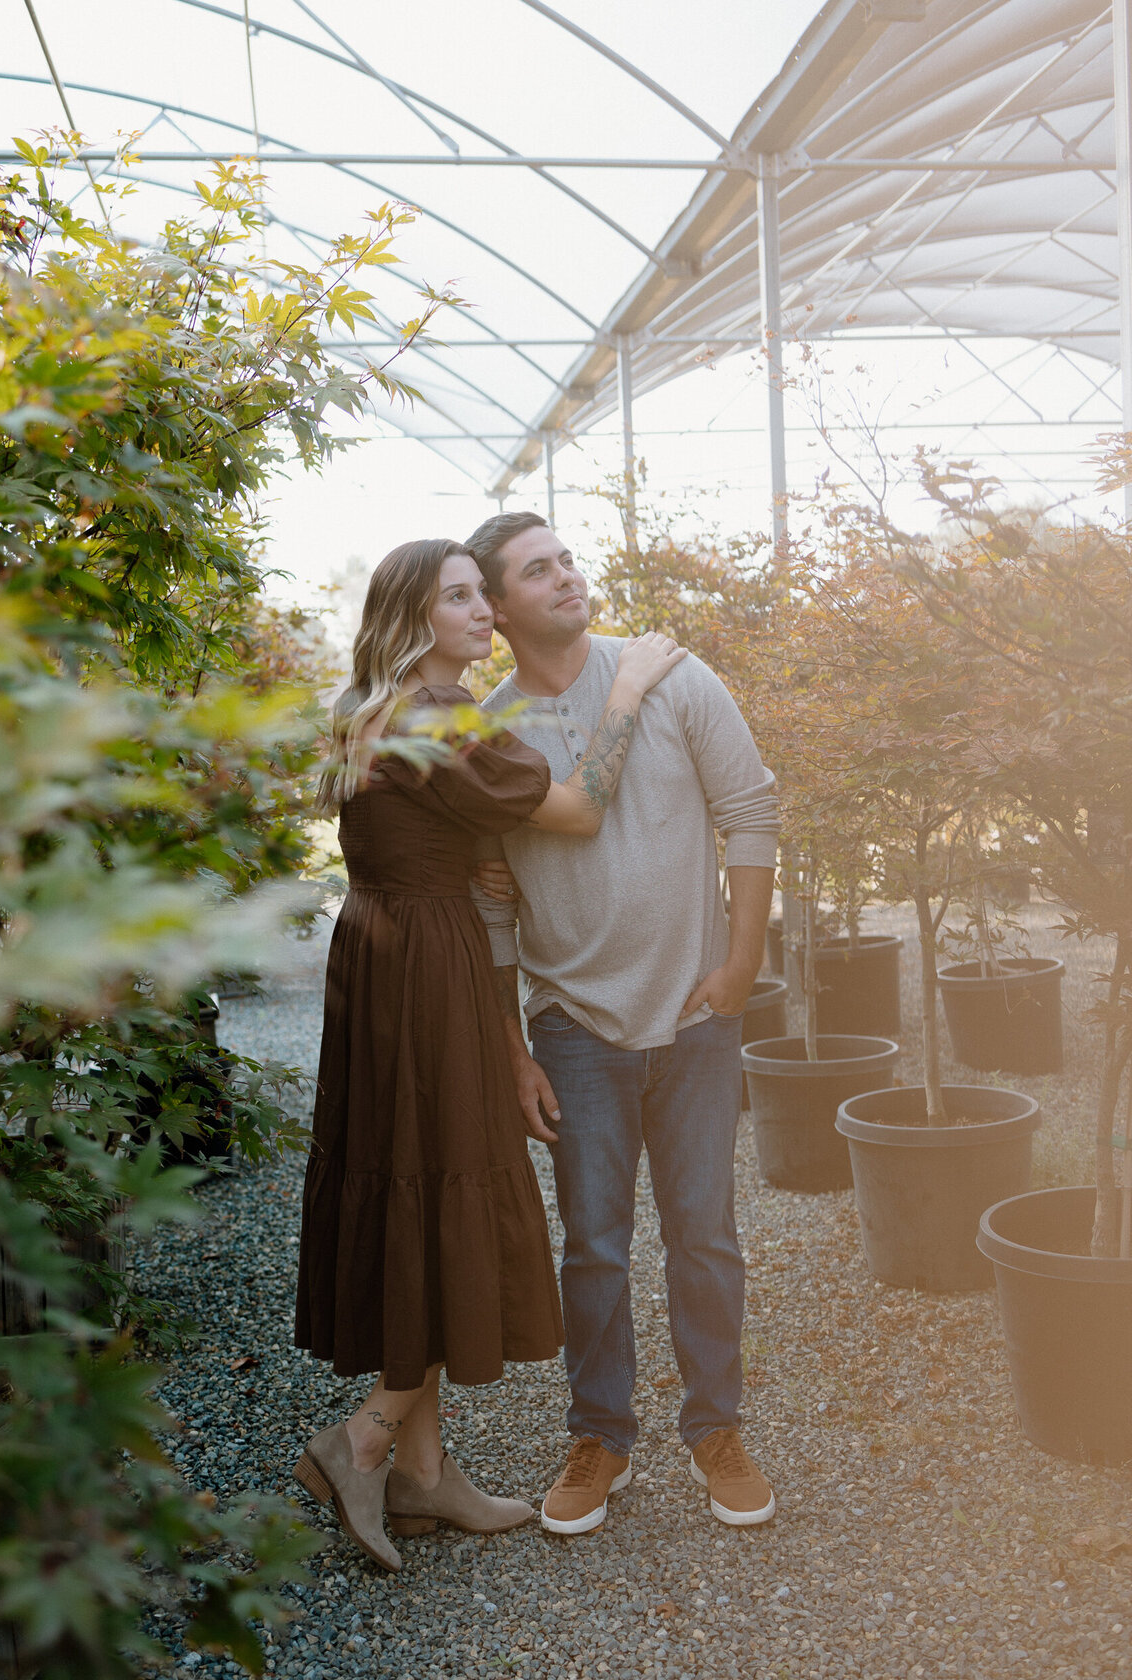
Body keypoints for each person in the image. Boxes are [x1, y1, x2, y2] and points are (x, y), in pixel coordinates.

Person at [293, 537, 686, 1573]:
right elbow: (582, 806)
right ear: (415, 618)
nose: (482, 612)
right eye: (458, 597)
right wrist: (630, 689)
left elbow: (441, 830)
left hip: (380, 960)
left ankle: (425, 1476)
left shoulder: (373, 711)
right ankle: (368, 1435)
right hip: (429, 976)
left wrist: (481, 859)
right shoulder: (441, 720)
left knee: (414, 1185)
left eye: (482, 593)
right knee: (444, 1183)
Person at [464, 511, 780, 1538]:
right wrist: (515, 1045)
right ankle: (601, 1435)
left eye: (567, 559)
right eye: (536, 572)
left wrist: (740, 963)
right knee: (593, 1248)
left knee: (705, 1238)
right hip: (574, 1028)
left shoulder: (673, 674)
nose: (566, 577)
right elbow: (494, 901)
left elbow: (753, 812)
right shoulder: (491, 733)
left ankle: (716, 1431)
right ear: (499, 607)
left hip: (693, 1018)